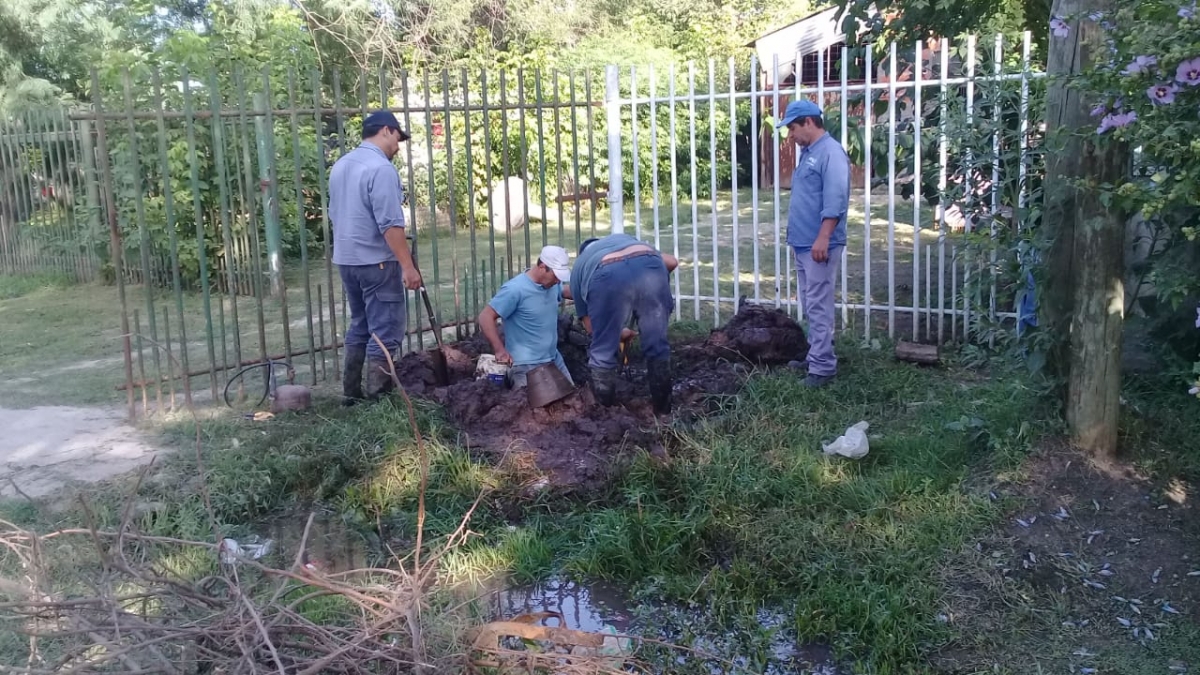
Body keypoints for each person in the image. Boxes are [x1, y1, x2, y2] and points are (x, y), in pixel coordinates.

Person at [329, 110, 424, 405]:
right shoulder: (381, 169)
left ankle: (351, 394)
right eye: (398, 138)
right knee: (385, 327)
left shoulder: (342, 165)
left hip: (347, 260)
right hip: (376, 262)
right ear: (386, 130)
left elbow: (335, 213)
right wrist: (407, 267)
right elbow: (390, 224)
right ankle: (378, 398)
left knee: (360, 324)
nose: (398, 146)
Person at [778, 99, 850, 388]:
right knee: (811, 302)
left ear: (808, 122)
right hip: (804, 242)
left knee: (818, 304)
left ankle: (822, 368)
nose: (790, 135)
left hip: (819, 243)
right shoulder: (810, 152)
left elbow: (836, 198)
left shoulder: (830, 152)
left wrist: (823, 236)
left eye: (793, 128)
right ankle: (816, 354)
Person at [571, 233, 679, 415]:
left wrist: (616, 333)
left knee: (603, 352)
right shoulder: (622, 238)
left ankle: (606, 415)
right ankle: (664, 413)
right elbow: (670, 262)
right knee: (657, 345)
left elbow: (592, 329)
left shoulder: (580, 267)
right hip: (650, 263)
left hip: (607, 274)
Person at [477, 245, 576, 389]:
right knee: (531, 409)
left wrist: (589, 292)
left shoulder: (551, 285)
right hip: (525, 366)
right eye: (556, 276)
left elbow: (564, 291)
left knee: (573, 402)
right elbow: (485, 316)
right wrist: (499, 350)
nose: (558, 281)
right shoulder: (515, 290)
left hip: (553, 358)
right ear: (542, 266)